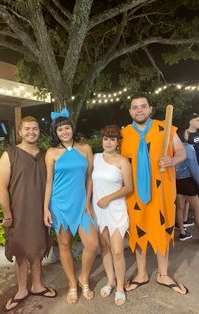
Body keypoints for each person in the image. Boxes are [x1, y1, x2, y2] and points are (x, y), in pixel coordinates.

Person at [121, 95, 188, 295]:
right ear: (130, 111)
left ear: (150, 109)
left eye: (143, 106)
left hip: (162, 191)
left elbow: (182, 152)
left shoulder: (165, 127)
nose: (139, 110)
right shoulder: (124, 133)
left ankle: (163, 274)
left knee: (163, 229)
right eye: (135, 107)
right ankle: (141, 273)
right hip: (134, 194)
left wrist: (172, 160)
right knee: (138, 230)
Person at [0, 116, 57, 312]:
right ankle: (22, 290)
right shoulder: (10, 154)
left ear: (39, 131)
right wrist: (8, 215)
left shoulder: (46, 154)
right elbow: (2, 188)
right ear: (20, 132)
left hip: (41, 211)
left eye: (35, 129)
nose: (31, 132)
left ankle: (37, 286)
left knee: (39, 248)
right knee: (21, 252)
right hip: (19, 212)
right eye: (27, 129)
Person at [44, 108, 98, 304]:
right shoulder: (51, 153)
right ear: (55, 133)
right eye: (60, 130)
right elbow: (49, 182)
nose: (64, 132)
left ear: (72, 129)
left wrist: (87, 201)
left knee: (92, 244)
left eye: (67, 128)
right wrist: (45, 209)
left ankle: (84, 277)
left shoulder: (85, 148)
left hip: (81, 205)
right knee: (64, 245)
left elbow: (89, 177)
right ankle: (72, 285)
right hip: (59, 204)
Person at [92, 125, 133, 306]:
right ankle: (110, 281)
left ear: (118, 142)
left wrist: (108, 198)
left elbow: (128, 187)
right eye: (106, 138)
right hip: (98, 210)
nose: (108, 142)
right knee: (105, 248)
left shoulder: (123, 161)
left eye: (112, 139)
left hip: (115, 209)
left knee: (117, 250)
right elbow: (87, 182)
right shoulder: (94, 158)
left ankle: (120, 288)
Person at [175, 128, 199, 239]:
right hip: (188, 181)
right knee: (197, 208)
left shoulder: (172, 148)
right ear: (182, 135)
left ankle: (182, 233)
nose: (187, 134)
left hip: (177, 181)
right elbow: (194, 167)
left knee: (180, 207)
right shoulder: (188, 147)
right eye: (186, 132)